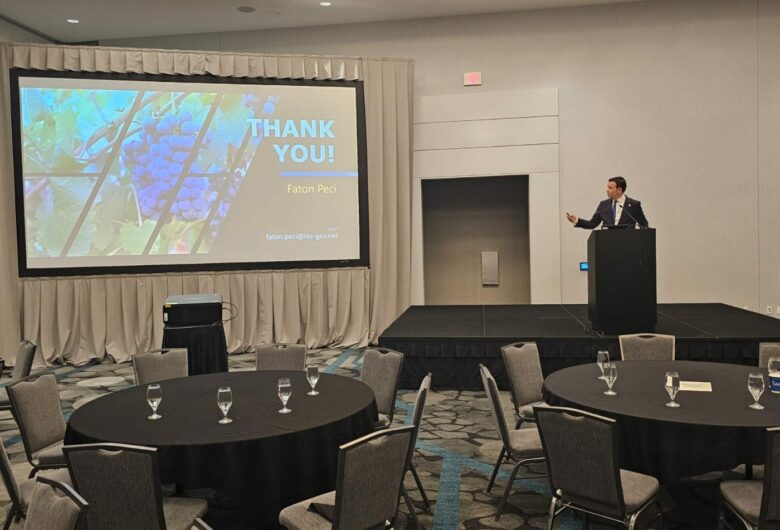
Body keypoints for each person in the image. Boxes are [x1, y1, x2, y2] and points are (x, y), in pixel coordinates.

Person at [566, 176, 648, 229]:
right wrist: (576, 220)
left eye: (610, 188)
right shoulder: (603, 205)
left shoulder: (633, 205)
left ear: (619, 190)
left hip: (629, 245)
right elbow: (592, 223)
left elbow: (644, 225)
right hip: (607, 245)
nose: (607, 190)